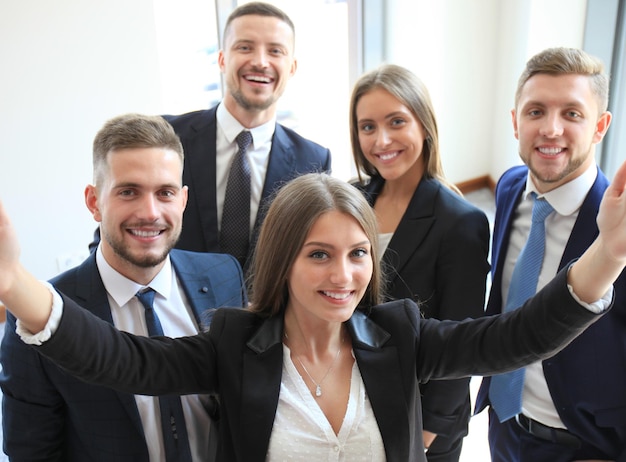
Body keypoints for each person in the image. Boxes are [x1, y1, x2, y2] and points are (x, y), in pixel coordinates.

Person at [0, 169, 625, 462]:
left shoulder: (401, 335)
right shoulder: (234, 343)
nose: (343, 276)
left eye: (357, 255)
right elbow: (119, 357)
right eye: (319, 255)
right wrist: (15, 284)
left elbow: (514, 338)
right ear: (284, 262)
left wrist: (607, 254)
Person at [0, 114, 248, 462]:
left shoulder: (225, 276)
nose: (150, 212)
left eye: (165, 193)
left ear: (183, 200)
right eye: (129, 192)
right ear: (93, 202)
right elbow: (32, 454)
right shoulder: (37, 318)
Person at [87, 2, 332, 269]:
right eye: (245, 47)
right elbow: (109, 238)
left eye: (275, 51)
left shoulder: (313, 160)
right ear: (222, 59)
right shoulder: (165, 140)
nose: (261, 62)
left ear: (292, 67)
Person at [474, 47, 626, 461]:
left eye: (572, 114)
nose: (551, 129)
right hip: (504, 426)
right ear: (515, 121)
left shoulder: (619, 230)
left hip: (583, 445)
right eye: (535, 111)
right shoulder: (508, 188)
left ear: (600, 127)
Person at [349, 64, 490, 461]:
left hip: (420, 421)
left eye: (397, 122)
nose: (382, 140)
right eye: (368, 126)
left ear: (424, 126)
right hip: (352, 405)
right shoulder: (350, 199)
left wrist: (423, 436)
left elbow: (460, 339)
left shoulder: (461, 223)